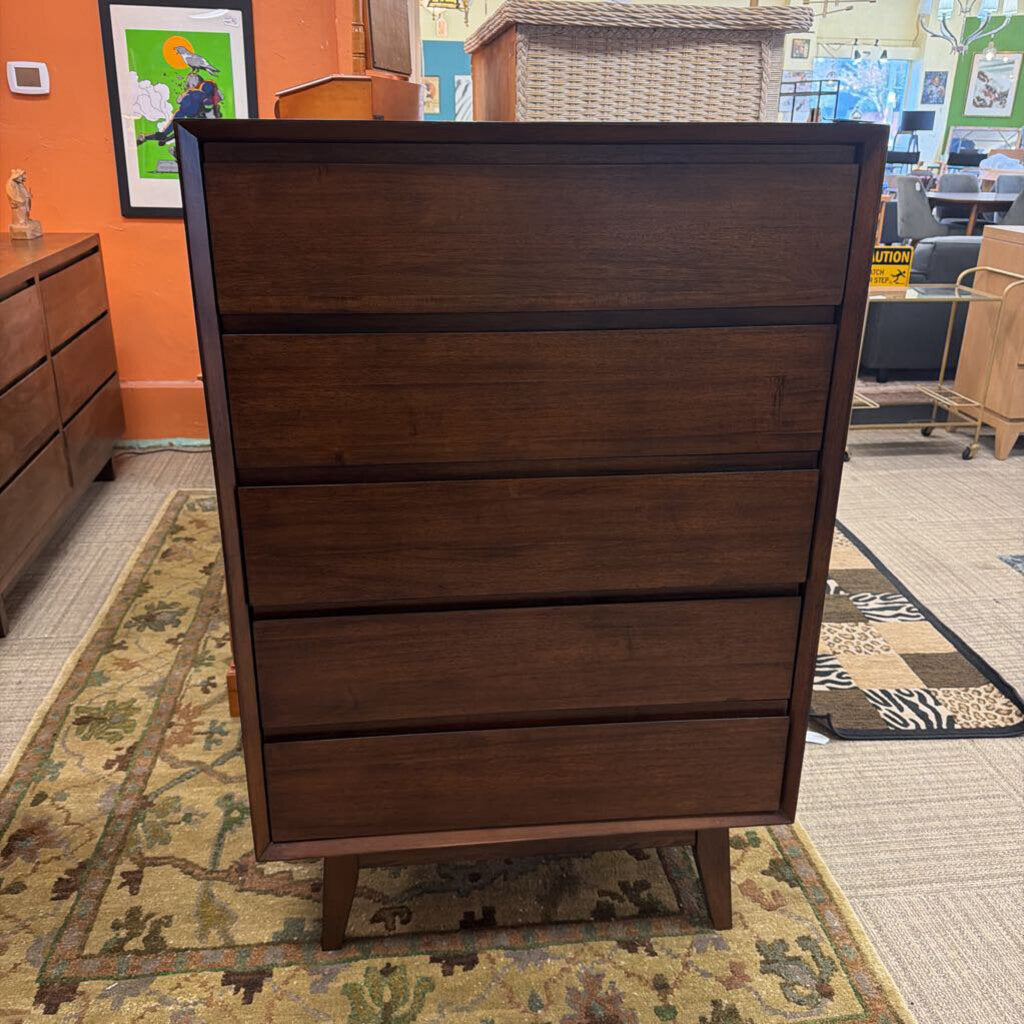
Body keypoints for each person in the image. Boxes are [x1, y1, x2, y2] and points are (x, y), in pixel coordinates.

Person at [137, 73, 223, 148]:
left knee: (174, 132)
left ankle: (154, 138)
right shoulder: (193, 94)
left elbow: (209, 100)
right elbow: (181, 101)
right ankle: (149, 138)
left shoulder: (201, 91)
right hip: (185, 114)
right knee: (169, 133)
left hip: (191, 116)